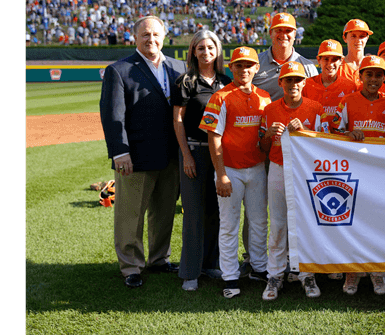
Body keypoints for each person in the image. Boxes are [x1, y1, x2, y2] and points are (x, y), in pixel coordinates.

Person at [99, 15, 186, 288]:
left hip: (172, 155)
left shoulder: (178, 67)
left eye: (156, 34)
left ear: (164, 36)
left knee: (163, 212)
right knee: (130, 215)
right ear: (134, 38)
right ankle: (131, 267)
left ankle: (159, 259)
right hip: (135, 157)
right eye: (145, 35)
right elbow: (113, 116)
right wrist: (119, 152)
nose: (151, 39)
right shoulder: (120, 70)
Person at [246, 12, 317, 276]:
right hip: (262, 140)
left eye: (288, 31)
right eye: (278, 30)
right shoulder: (257, 62)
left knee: (295, 209)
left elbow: (312, 107)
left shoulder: (307, 66)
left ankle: (295, 261)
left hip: (296, 150)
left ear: (295, 34)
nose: (283, 35)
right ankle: (254, 258)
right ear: (271, 32)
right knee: (258, 207)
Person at [199, 46, 272, 299]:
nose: (244, 70)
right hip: (230, 169)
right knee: (229, 225)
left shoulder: (265, 97)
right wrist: (221, 174)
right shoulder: (220, 97)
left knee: (259, 221)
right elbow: (213, 137)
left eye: (248, 65)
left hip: (257, 168)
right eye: (239, 65)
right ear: (232, 68)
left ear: (256, 68)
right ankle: (230, 275)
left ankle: (259, 268)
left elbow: (264, 136)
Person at [172, 30, 231, 291]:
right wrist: (186, 155)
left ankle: (211, 263)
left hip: (219, 153)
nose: (206, 53)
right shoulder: (185, 82)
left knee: (216, 212)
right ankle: (190, 271)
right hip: (194, 151)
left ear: (217, 51)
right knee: (194, 213)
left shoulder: (226, 81)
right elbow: (178, 120)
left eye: (210, 48)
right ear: (193, 52)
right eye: (200, 48)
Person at [260, 62, 325, 300]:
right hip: (278, 167)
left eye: (297, 80)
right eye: (288, 79)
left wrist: (306, 131)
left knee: (306, 223)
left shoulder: (316, 108)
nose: (293, 84)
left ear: (304, 82)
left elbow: (323, 145)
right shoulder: (270, 109)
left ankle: (306, 274)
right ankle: (275, 275)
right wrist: (267, 135)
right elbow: (263, 146)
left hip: (306, 171)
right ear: (281, 82)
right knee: (277, 224)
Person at [332, 55, 385, 296]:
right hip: (354, 170)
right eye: (368, 74)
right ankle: (352, 272)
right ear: (360, 77)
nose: (373, 79)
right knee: (354, 223)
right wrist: (349, 132)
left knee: (379, 222)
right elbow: (334, 131)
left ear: (384, 77)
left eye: (378, 74)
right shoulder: (348, 101)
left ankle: (377, 272)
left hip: (380, 171)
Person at [302, 39, 358, 135]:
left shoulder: (350, 86)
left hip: (340, 142)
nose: (330, 64)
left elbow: (353, 119)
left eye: (334, 59)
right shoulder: (306, 85)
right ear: (319, 60)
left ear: (341, 61)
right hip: (313, 141)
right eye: (326, 59)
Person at [340, 19, 373, 85]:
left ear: (367, 38)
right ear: (344, 38)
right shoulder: (337, 66)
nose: (358, 40)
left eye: (362, 36)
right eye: (353, 36)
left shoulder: (372, 65)